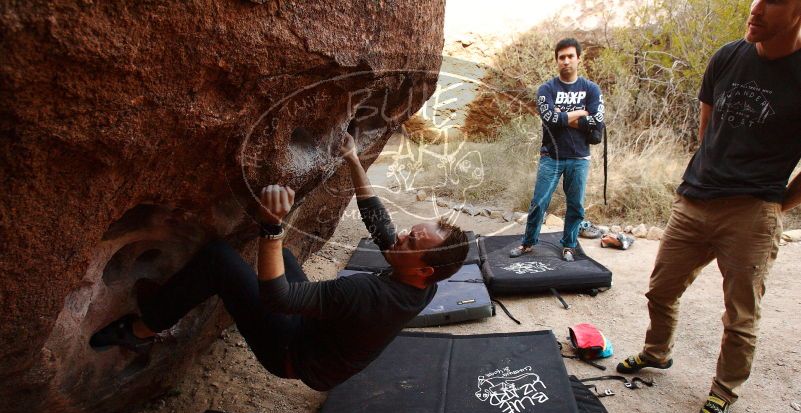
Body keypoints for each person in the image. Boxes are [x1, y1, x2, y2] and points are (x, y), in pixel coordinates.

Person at [90, 133, 469, 391]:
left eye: (412, 240)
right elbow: (381, 225)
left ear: (423, 268)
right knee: (282, 258)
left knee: (219, 260)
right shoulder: (424, 282)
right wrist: (353, 159)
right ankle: (195, 301)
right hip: (320, 340)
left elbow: (279, 300)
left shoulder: (366, 292)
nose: (401, 236)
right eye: (411, 231)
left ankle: (141, 330)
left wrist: (272, 225)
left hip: (293, 357)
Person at [617, 0, 801, 413]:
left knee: (740, 315)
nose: (755, 8)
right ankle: (656, 352)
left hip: (752, 213)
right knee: (661, 290)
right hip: (694, 199)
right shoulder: (727, 56)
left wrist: (774, 205)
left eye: (772, 0)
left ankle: (724, 390)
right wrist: (707, 177)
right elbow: (707, 130)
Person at [510, 37, 605, 261]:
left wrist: (564, 116)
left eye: (570, 56)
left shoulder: (591, 89)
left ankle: (569, 246)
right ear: (556, 61)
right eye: (561, 57)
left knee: (575, 205)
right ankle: (528, 243)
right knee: (539, 202)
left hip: (579, 157)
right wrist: (581, 113)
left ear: (578, 59)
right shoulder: (547, 88)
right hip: (551, 155)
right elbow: (549, 117)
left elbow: (597, 120)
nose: (566, 61)